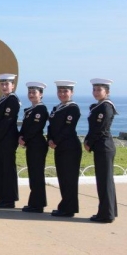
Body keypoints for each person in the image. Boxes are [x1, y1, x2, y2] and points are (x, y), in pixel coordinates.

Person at [84, 78, 118, 223]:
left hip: (104, 147)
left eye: (99, 90)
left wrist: (88, 143)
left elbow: (101, 129)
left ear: (107, 92)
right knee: (105, 181)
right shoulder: (98, 106)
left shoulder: (105, 107)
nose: (96, 92)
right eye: (94, 90)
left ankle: (106, 215)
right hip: (101, 146)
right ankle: (108, 212)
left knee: (104, 181)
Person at [48, 80, 82, 218]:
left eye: (65, 91)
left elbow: (68, 129)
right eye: (60, 91)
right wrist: (49, 139)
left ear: (71, 92)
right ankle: (65, 206)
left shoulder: (73, 108)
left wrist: (55, 141)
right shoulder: (57, 108)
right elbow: (51, 127)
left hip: (70, 147)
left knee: (69, 179)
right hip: (59, 147)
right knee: (62, 178)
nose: (62, 94)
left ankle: (70, 208)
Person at [0, 74, 20, 209]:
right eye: (2, 84)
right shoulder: (0, 99)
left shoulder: (12, 100)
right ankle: (2, 197)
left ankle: (10, 199)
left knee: (8, 169)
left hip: (7, 139)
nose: (4, 86)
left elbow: (7, 122)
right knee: (1, 168)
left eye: (7, 84)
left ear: (12, 85)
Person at [18, 81, 49, 213]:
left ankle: (38, 204)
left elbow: (35, 128)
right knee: (33, 174)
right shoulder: (31, 110)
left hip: (37, 145)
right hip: (31, 145)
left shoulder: (40, 109)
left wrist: (24, 138)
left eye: (34, 92)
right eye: (29, 92)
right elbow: (25, 127)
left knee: (37, 175)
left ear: (41, 94)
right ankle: (34, 202)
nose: (31, 94)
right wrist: (20, 136)